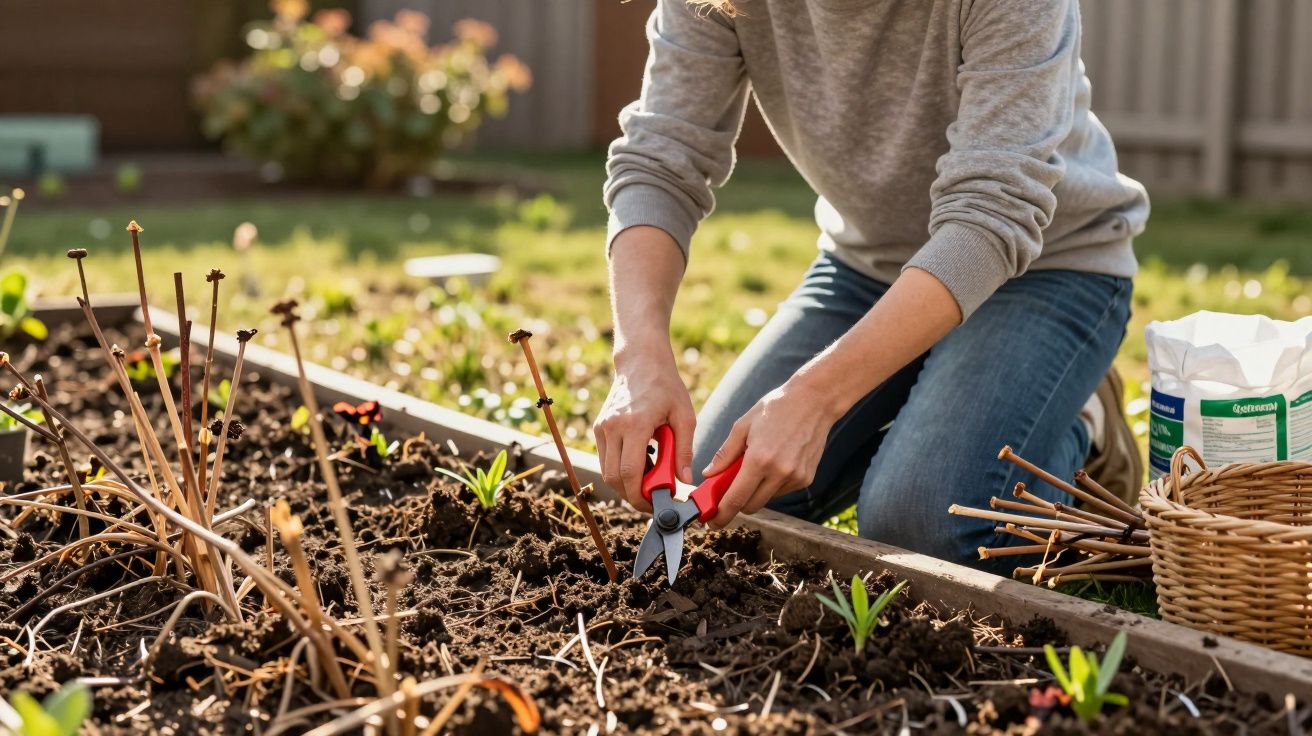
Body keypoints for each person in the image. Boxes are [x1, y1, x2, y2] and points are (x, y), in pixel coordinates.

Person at [593, 0, 1149, 570]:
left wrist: (815, 398)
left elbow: (991, 214)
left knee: (927, 522)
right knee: (723, 482)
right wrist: (640, 357)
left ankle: (1084, 424)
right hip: (868, 268)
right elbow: (659, 162)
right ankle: (938, 400)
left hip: (1046, 268)